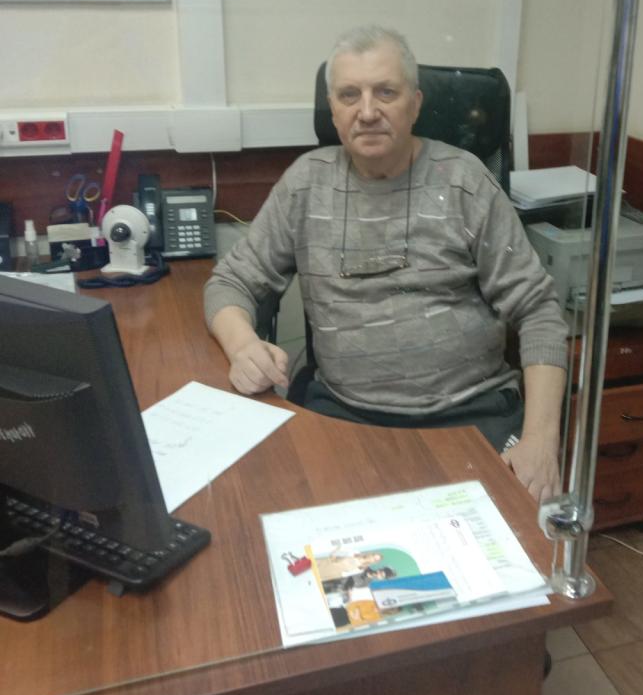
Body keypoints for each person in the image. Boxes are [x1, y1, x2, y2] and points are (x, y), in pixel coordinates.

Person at [204, 25, 569, 503]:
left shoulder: (465, 182)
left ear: (415, 104)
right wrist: (242, 346)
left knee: (509, 540)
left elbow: (539, 311)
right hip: (343, 413)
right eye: (349, 95)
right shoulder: (305, 185)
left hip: (472, 415)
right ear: (332, 109)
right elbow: (230, 282)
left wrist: (541, 440)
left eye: (386, 92)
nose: (367, 111)